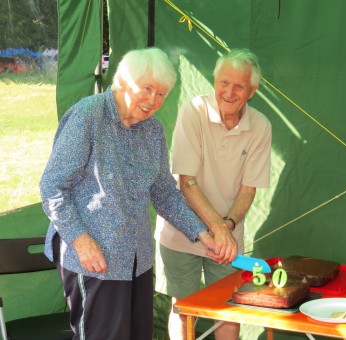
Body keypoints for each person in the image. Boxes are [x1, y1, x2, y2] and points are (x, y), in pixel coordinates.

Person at [39, 47, 237, 340]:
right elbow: (52, 187)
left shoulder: (153, 130)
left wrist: (203, 234)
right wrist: (82, 242)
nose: (153, 101)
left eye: (161, 94)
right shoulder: (87, 116)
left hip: (136, 258)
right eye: (147, 89)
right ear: (123, 82)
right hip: (95, 257)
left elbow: (165, 193)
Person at [155, 49, 272, 339]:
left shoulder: (261, 126)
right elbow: (187, 182)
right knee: (184, 310)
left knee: (228, 311)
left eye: (239, 86)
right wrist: (218, 228)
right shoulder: (193, 111)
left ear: (253, 91)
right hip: (183, 232)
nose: (229, 92)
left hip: (227, 241)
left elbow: (248, 189)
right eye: (223, 83)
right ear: (214, 81)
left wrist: (227, 228)